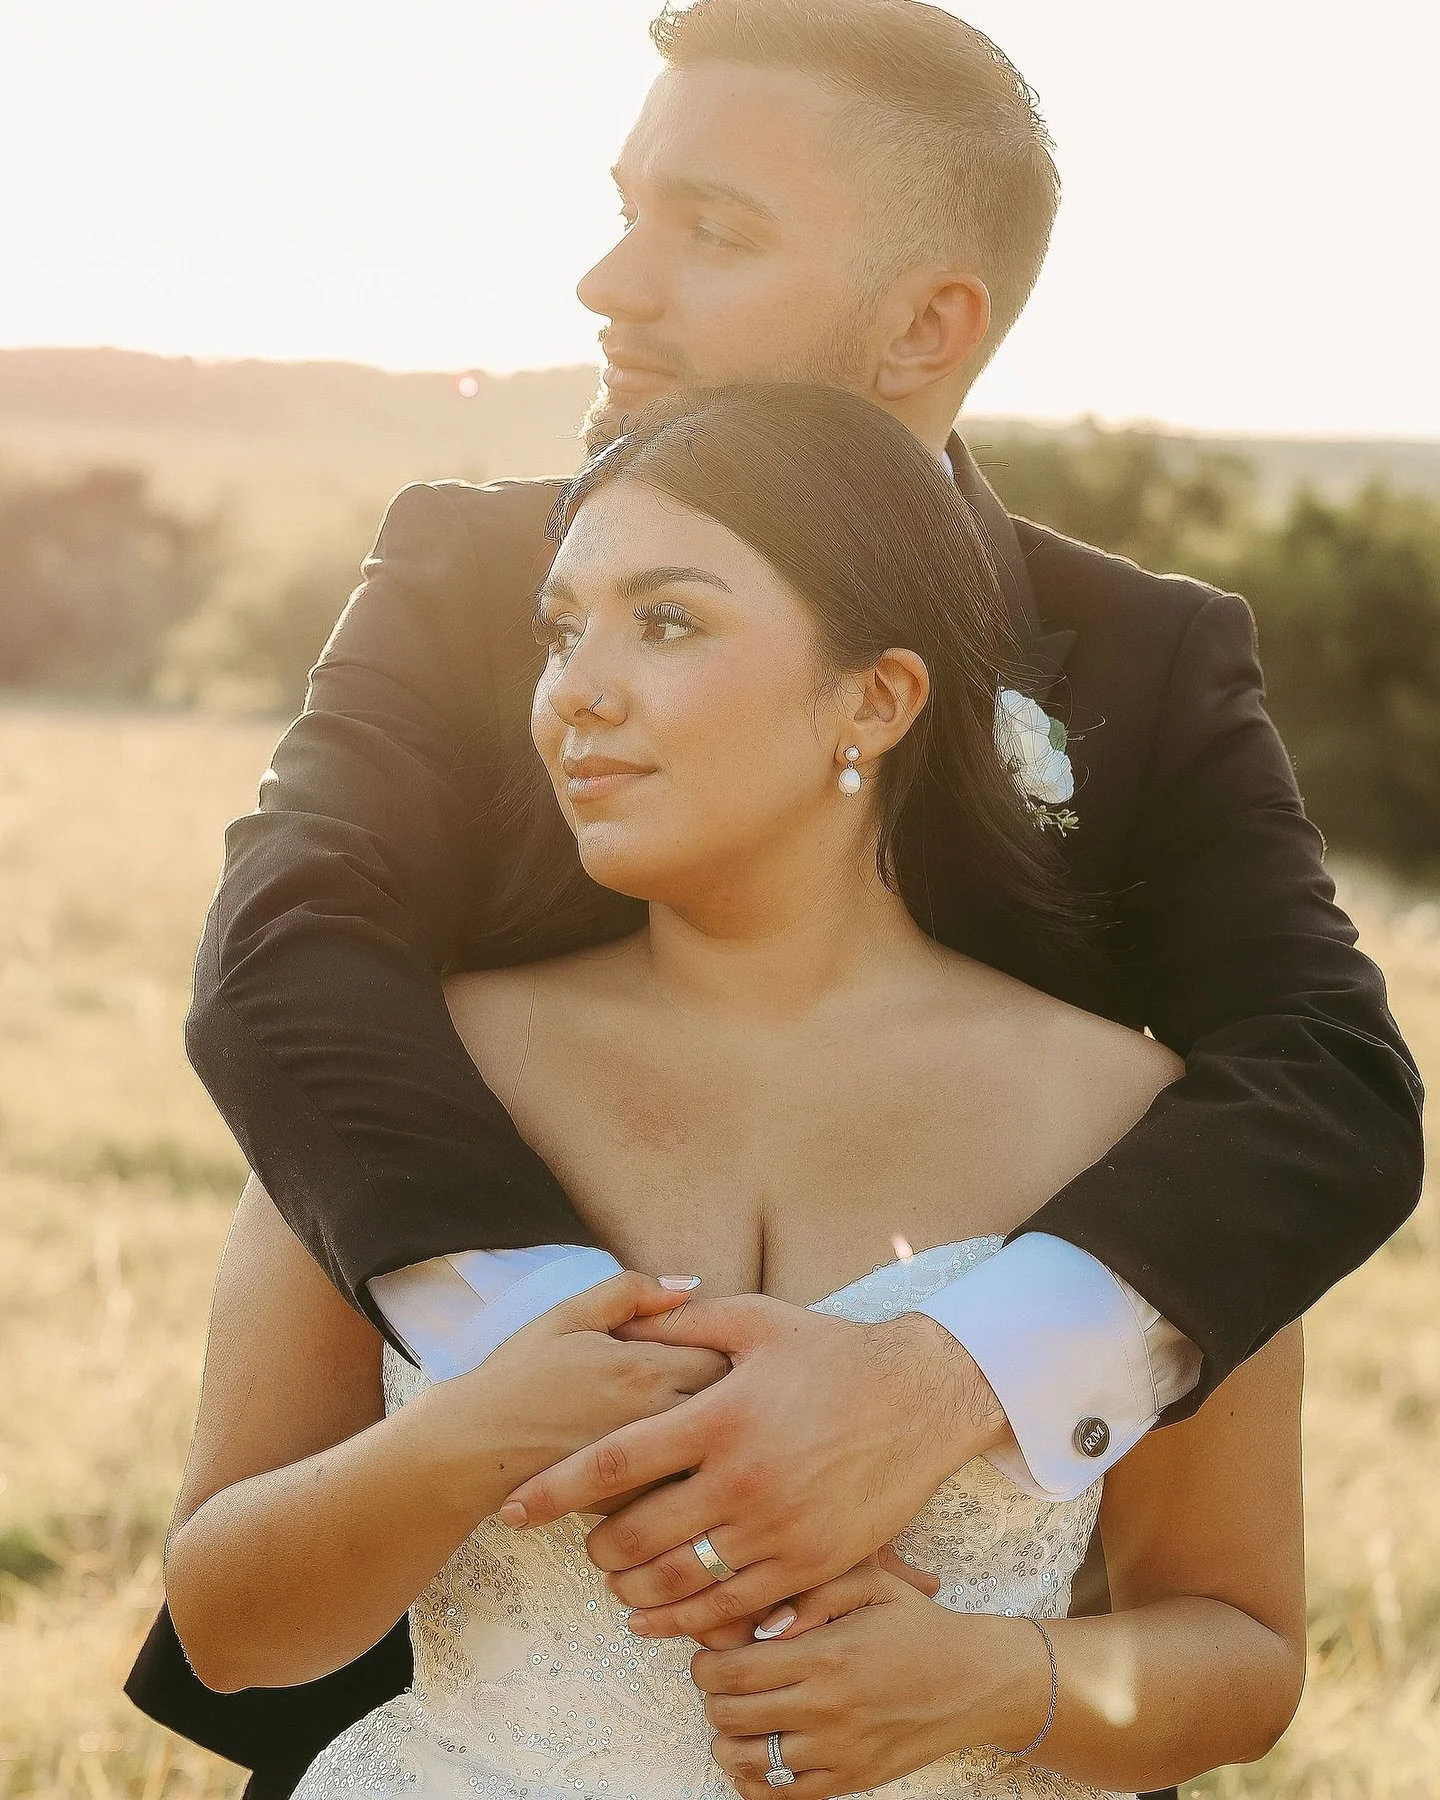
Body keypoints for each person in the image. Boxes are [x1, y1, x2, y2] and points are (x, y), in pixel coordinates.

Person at [127, 1, 1420, 1793]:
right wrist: (578, 1386)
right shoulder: (460, 573)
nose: (608, 279)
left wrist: (945, 1381)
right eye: (625, 204)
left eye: (712, 229)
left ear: (927, 325)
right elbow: (287, 967)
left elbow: (1325, 1083)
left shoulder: (1149, 659)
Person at [164, 385, 1309, 1800]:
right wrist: (474, 1432)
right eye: (559, 629)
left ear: (875, 701)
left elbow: (1246, 1657)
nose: (576, 688)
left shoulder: (1135, 1121)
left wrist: (995, 1682)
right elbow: (225, 1630)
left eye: (667, 621)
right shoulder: (406, 1072)